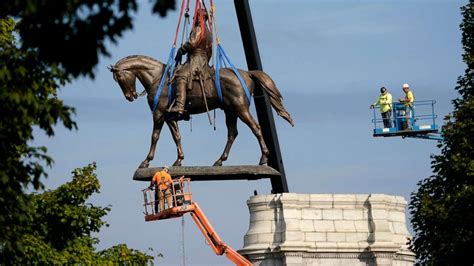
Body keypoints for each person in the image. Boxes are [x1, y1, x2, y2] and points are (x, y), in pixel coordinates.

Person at [170, 8, 213, 115]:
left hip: (195, 60)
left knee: (181, 76)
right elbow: (210, 50)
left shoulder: (199, 29)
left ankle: (179, 106)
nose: (195, 18)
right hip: (204, 60)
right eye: (196, 16)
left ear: (202, 18)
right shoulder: (208, 32)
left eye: (197, 16)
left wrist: (181, 50)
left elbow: (191, 43)